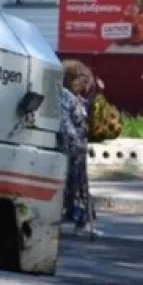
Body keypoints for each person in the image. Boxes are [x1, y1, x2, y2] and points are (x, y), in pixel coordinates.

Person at [57, 59, 101, 239]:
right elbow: (65, 124)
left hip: (78, 152)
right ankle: (70, 222)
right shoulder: (65, 97)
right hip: (70, 151)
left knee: (79, 189)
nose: (84, 87)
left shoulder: (76, 98)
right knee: (69, 188)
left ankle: (82, 222)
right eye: (82, 82)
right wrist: (76, 143)